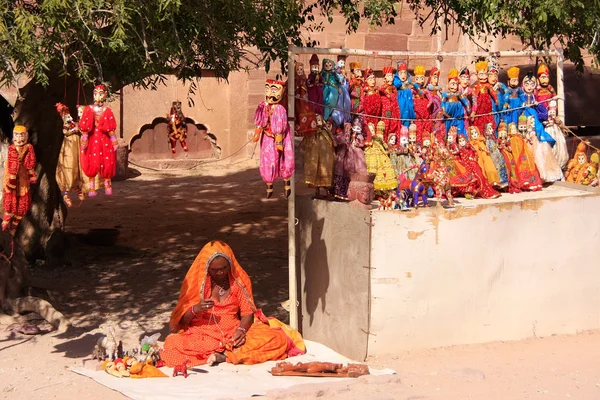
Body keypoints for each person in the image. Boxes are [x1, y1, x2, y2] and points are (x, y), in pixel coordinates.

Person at [160, 241, 305, 367]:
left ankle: (224, 356)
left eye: (224, 268)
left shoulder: (239, 283)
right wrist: (195, 309)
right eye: (214, 270)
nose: (220, 272)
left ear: (230, 264)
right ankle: (224, 352)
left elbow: (247, 313)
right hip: (204, 334)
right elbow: (183, 322)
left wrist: (241, 331)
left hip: (233, 332)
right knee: (173, 343)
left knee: (276, 340)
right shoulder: (196, 285)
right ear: (206, 267)